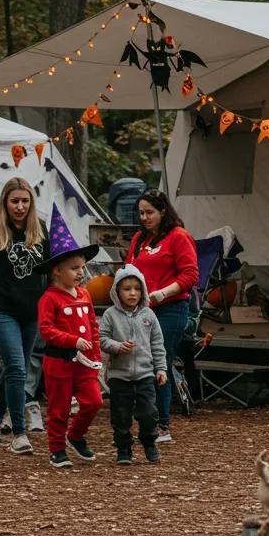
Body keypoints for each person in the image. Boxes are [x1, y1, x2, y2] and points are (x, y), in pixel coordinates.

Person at [0, 177, 48, 455]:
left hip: (30, 309)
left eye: (25, 201)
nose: (20, 206)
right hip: (0, 307)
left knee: (16, 368)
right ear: (5, 201)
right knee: (16, 366)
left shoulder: (39, 229)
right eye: (15, 201)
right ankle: (18, 432)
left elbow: (49, 270)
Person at [125, 189, 199, 443]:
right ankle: (147, 419)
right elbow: (128, 271)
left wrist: (162, 293)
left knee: (159, 362)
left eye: (150, 213)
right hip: (140, 309)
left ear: (163, 211)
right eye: (141, 213)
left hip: (170, 309)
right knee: (138, 363)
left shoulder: (179, 237)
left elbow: (190, 276)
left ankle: (162, 425)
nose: (144, 217)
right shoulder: (139, 240)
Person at [36, 204, 103, 470]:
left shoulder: (85, 294)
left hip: (85, 362)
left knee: (94, 401)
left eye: (82, 267)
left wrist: (96, 356)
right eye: (75, 268)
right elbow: (46, 330)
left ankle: (76, 435)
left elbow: (92, 326)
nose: (81, 273)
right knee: (59, 407)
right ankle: (56, 449)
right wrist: (71, 340)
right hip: (59, 362)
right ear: (56, 271)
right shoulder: (49, 298)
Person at [99, 265, 167, 465]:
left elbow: (157, 343)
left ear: (143, 291)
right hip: (119, 375)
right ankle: (123, 448)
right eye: (127, 289)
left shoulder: (148, 315)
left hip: (145, 374)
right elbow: (102, 339)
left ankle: (149, 442)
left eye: (137, 289)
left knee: (148, 413)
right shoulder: (111, 315)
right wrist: (117, 346)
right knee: (121, 415)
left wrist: (161, 368)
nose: (132, 293)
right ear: (116, 292)